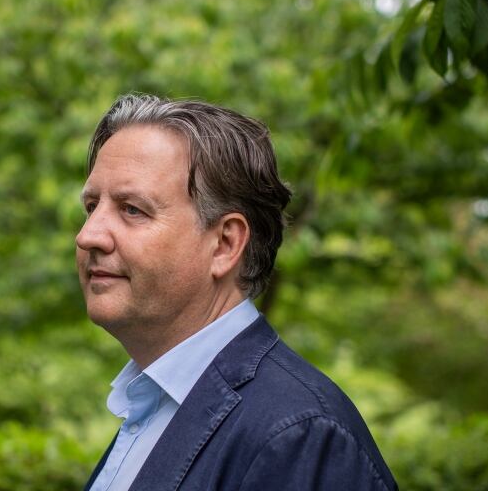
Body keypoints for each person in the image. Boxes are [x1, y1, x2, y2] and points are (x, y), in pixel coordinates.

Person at [77, 94, 397, 491]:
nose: (88, 234)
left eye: (132, 210)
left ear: (226, 244)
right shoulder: (155, 407)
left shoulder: (300, 436)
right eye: (92, 206)